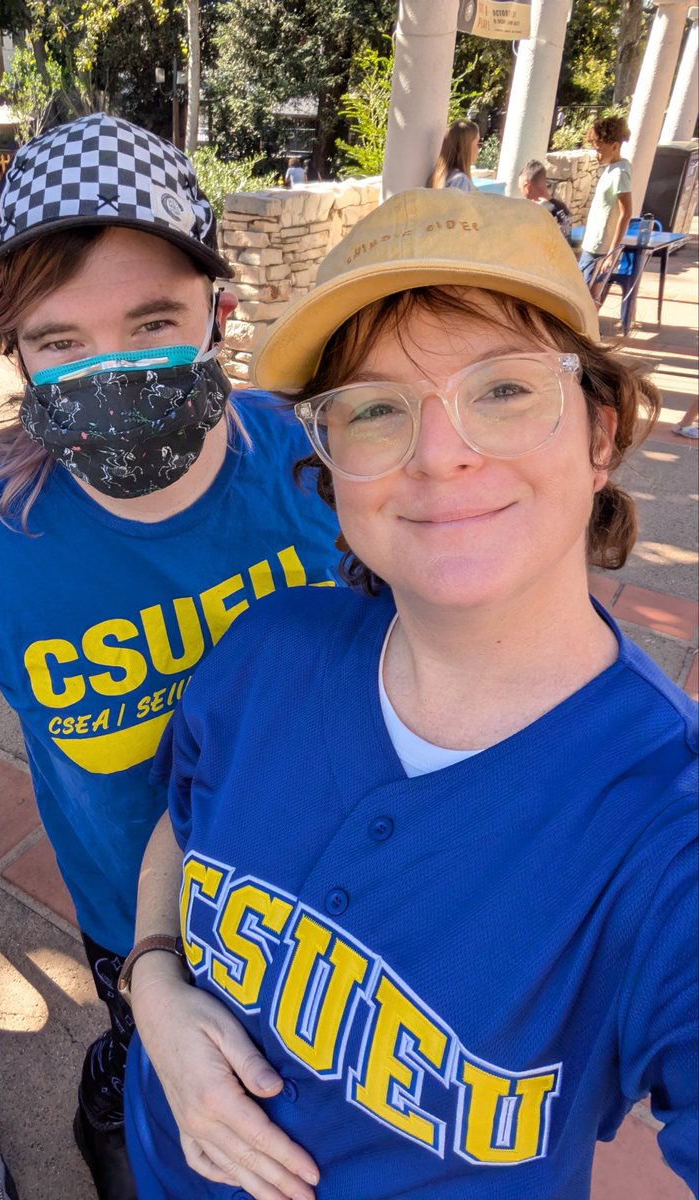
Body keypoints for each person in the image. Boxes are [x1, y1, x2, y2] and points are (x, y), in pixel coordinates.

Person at [123, 188, 698, 1199]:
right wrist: (154, 978)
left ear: (598, 431)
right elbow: (182, 823)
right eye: (377, 408)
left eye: (506, 390)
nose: (439, 454)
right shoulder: (267, 648)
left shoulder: (665, 832)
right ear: (331, 465)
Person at [0, 112, 340, 1199]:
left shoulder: (314, 461)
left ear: (217, 312)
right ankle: (113, 1077)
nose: (108, 372)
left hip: (332, 893)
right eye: (61, 342)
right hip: (126, 911)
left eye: (151, 321)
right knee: (152, 1048)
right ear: (13, 347)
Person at [578, 116, 633, 285]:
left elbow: (626, 212)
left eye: (599, 150)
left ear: (614, 146)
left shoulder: (620, 172)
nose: (596, 155)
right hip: (593, 244)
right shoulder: (612, 169)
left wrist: (612, 253)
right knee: (591, 297)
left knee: (583, 296)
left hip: (599, 248)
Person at [519, 158, 573, 241]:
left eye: (521, 189)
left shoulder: (538, 212)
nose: (521, 193)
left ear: (527, 188)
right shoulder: (562, 207)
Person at [427, 119, 480, 192]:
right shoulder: (460, 180)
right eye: (477, 143)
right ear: (466, 147)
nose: (478, 148)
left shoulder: (439, 176)